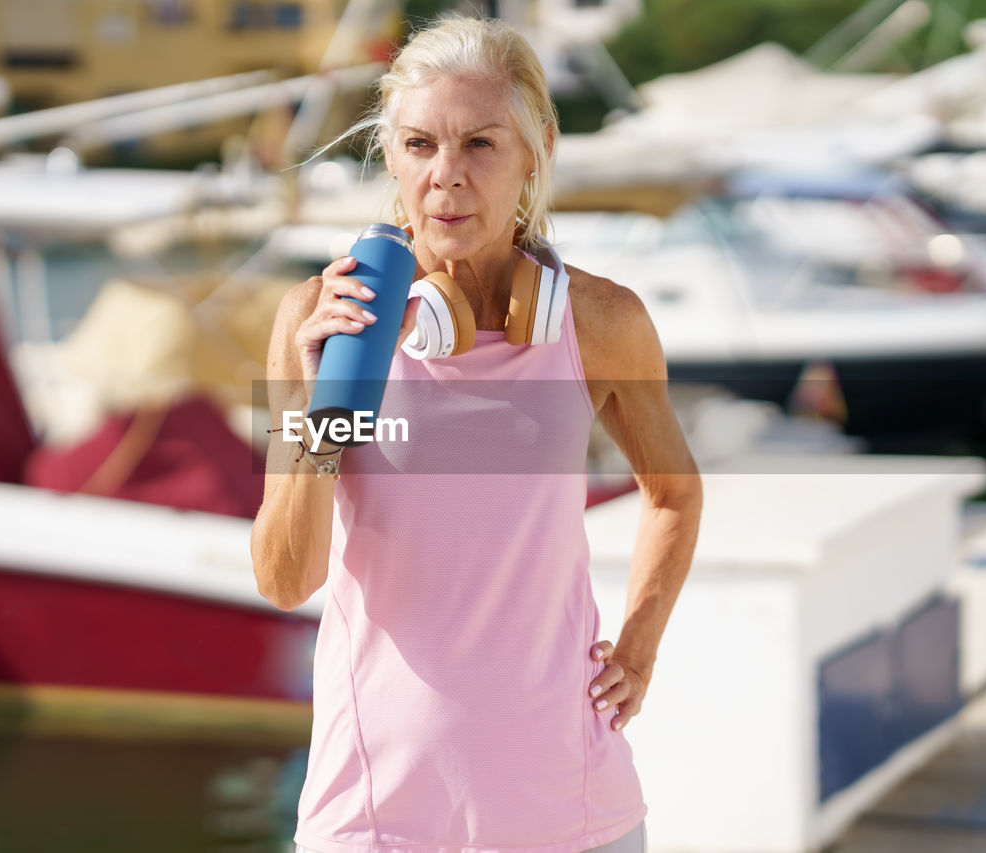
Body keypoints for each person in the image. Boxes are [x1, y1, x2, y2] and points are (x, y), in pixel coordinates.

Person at [251, 15, 702, 853]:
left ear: (538, 148)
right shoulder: (317, 320)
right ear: (389, 154)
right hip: (374, 818)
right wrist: (326, 406)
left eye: (481, 144)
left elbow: (673, 493)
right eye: (420, 145)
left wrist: (637, 648)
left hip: (574, 814)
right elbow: (287, 577)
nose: (445, 178)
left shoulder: (603, 324)